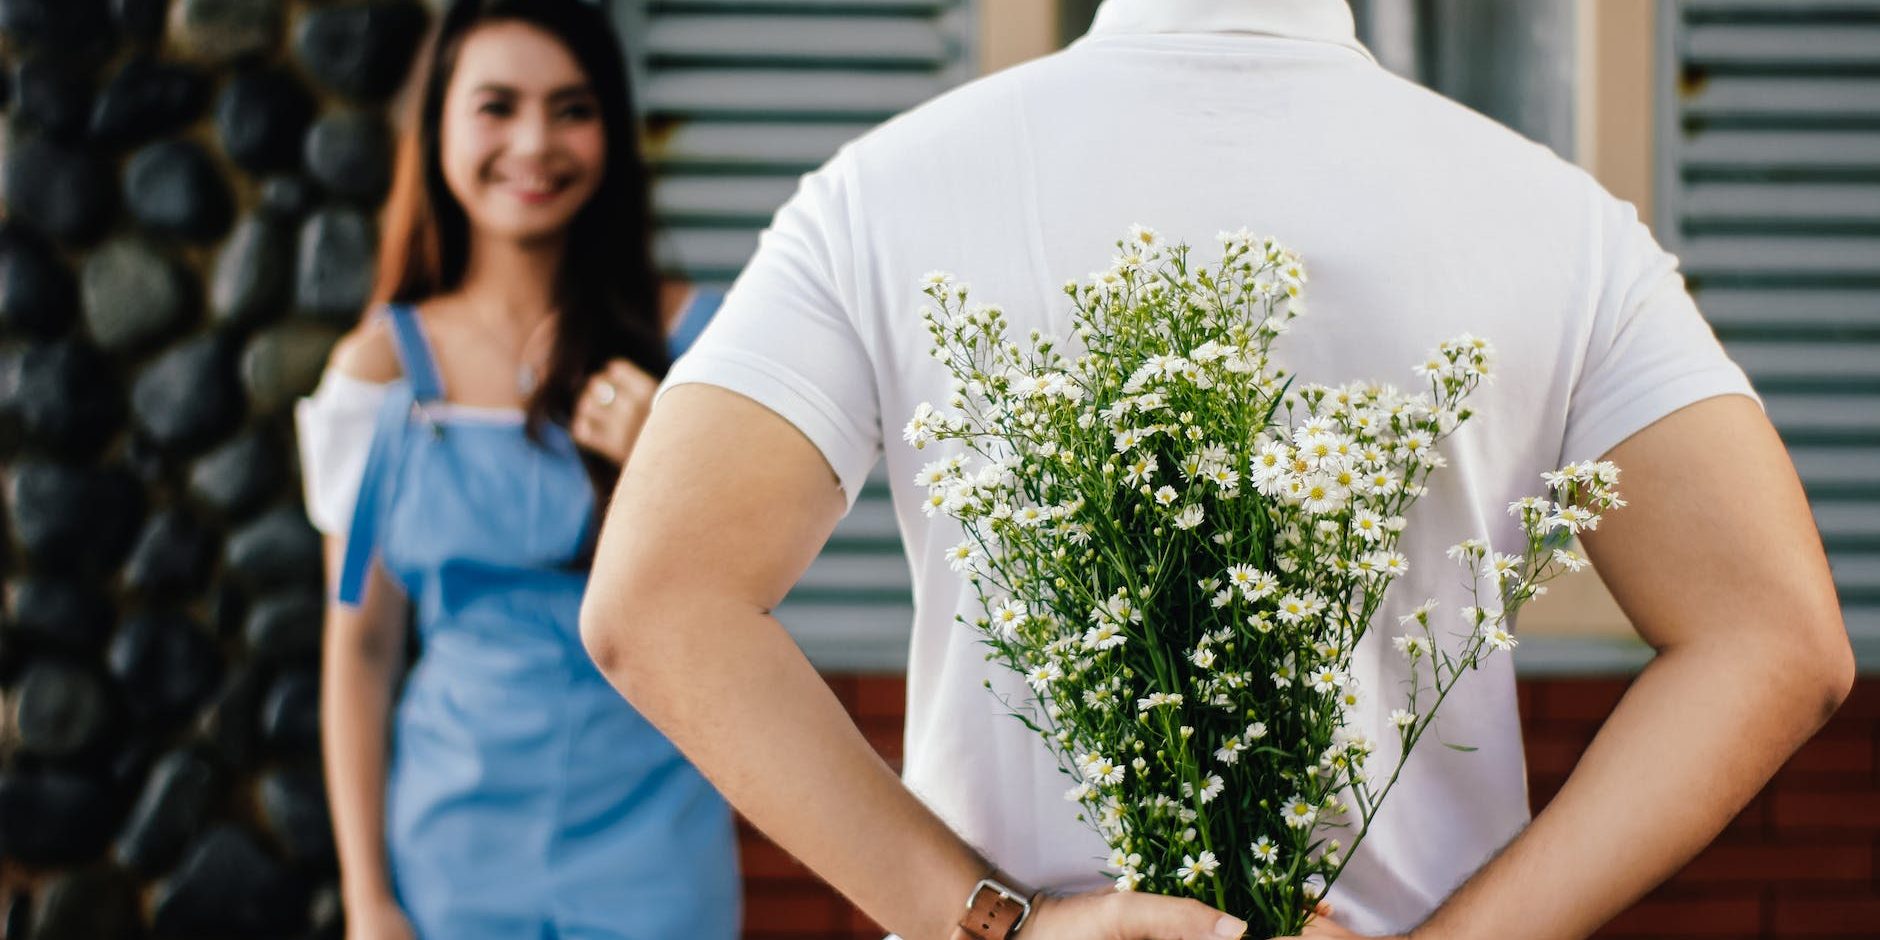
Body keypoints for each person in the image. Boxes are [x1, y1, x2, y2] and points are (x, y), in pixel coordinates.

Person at [576, 1, 1855, 939]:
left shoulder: (884, 192)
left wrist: (994, 925)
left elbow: (655, 602)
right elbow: (1778, 639)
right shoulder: (1559, 221)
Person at [296, 1, 737, 937]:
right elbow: (361, 649)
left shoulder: (699, 342)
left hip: (657, 838)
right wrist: (369, 898)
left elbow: (752, 599)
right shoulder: (376, 370)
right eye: (497, 106)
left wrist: (662, 460)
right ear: (441, 125)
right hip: (449, 848)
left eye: (572, 109)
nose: (535, 142)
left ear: (611, 132)